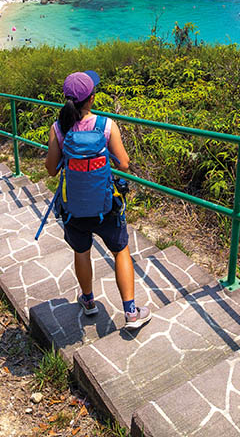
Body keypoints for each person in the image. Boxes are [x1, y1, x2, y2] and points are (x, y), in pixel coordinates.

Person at [45, 70, 152, 329]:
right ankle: (131, 313)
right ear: (91, 98)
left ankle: (89, 301)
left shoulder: (58, 128)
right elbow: (124, 164)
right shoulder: (106, 126)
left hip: (74, 207)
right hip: (106, 205)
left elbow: (51, 169)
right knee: (121, 251)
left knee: (81, 251)